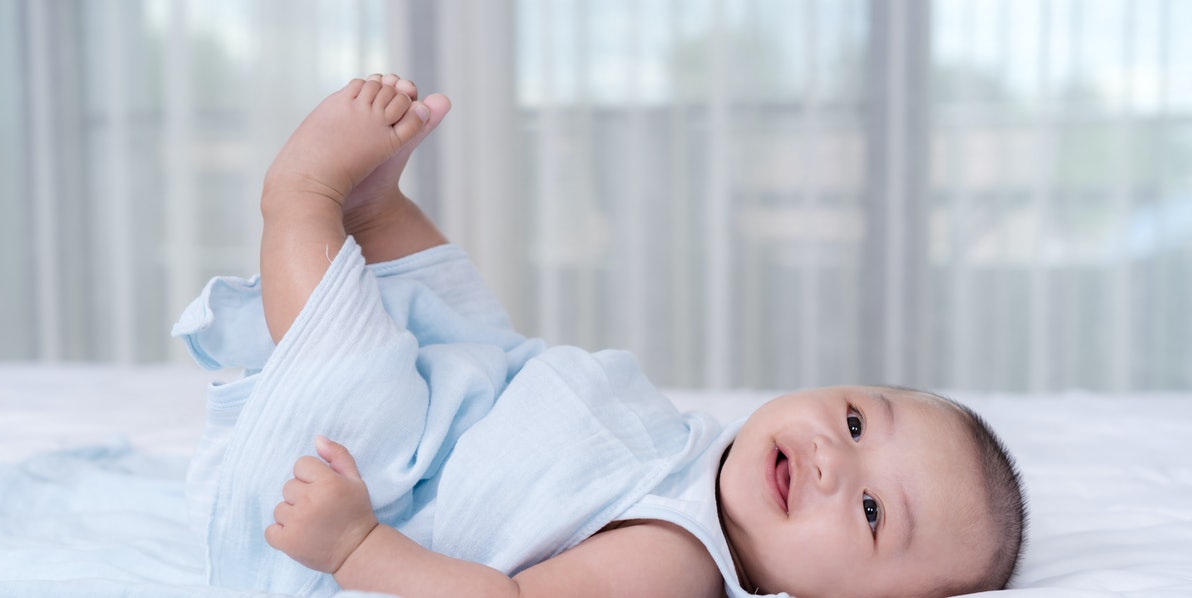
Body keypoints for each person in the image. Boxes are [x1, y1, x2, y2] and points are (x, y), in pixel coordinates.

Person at [173, 74, 1026, 598]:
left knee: (357, 371)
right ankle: (379, 215)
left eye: (874, 513)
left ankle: (305, 197)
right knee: (472, 321)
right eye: (853, 420)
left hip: (380, 487)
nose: (833, 462)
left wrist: (356, 545)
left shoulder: (675, 565)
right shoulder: (704, 464)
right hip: (474, 399)